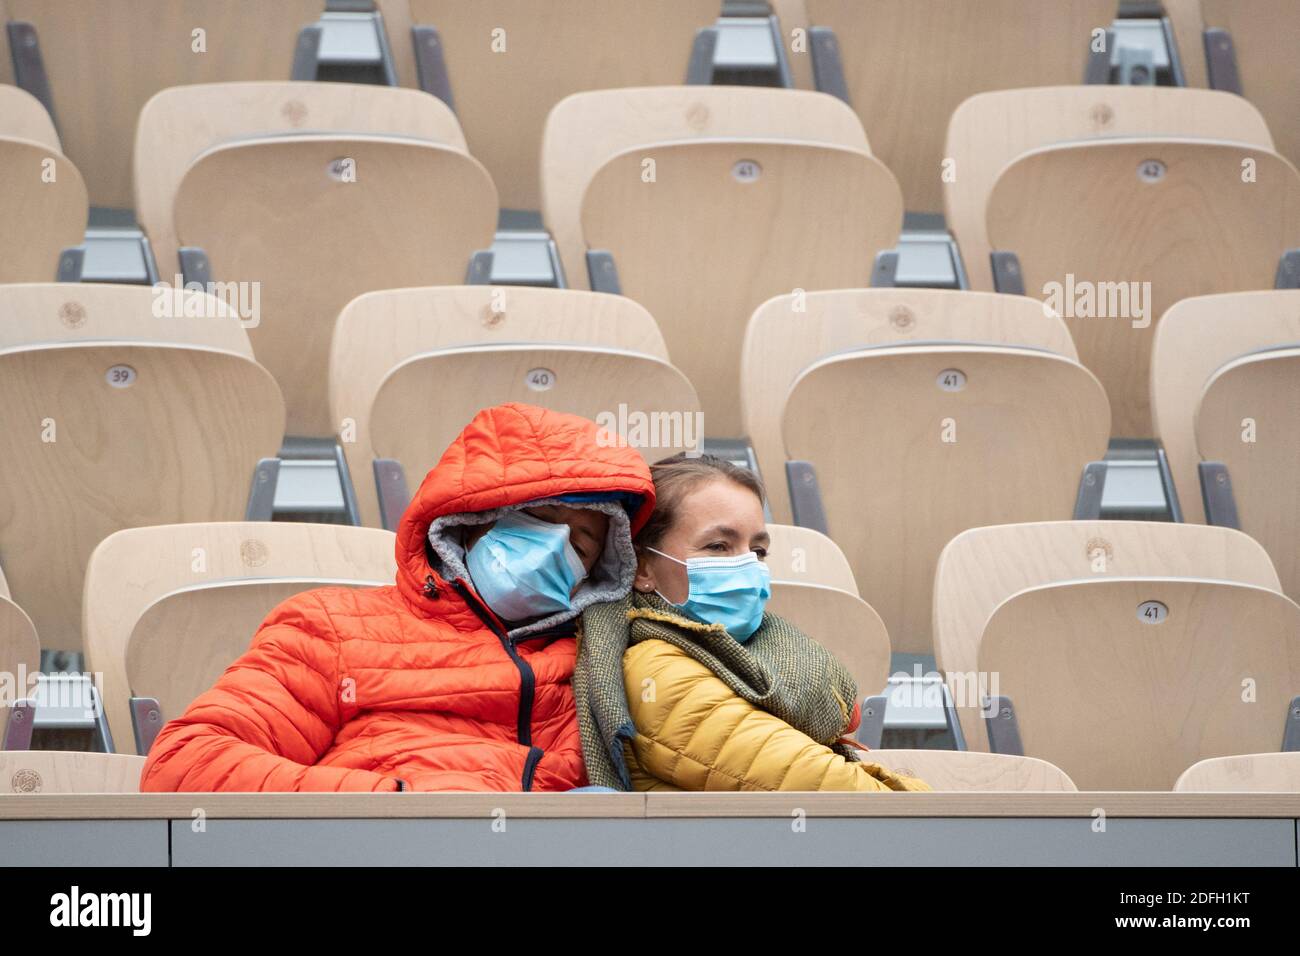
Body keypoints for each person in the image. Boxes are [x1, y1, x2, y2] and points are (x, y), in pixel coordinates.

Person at [139, 403, 654, 792]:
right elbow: (186, 764)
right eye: (539, 521)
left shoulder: (605, 663)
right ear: (471, 522)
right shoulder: (332, 627)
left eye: (582, 544)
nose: (553, 549)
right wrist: (395, 809)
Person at [574, 454, 931, 792]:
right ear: (643, 568)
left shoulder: (758, 655)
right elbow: (831, 788)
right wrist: (940, 804)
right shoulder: (653, 672)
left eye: (758, 551)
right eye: (717, 546)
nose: (746, 565)